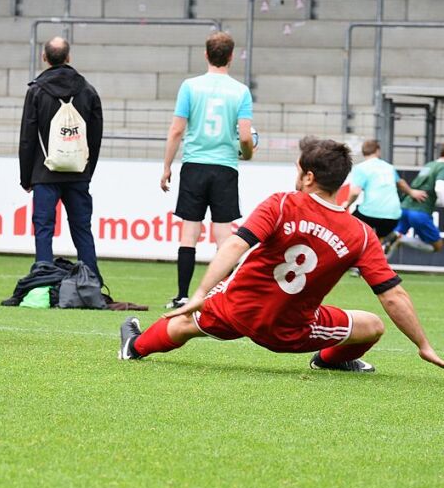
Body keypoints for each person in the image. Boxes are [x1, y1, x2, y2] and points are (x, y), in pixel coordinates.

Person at [119, 136, 444, 374]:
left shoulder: (282, 204)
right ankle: (330, 359)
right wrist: (423, 345)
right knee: (372, 325)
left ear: (309, 177)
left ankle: (134, 347)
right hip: (293, 331)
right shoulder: (360, 234)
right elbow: (393, 297)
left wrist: (200, 293)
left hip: (238, 310)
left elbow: (234, 245)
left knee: (185, 325)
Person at [161, 31, 253, 309]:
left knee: (189, 232)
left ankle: (182, 296)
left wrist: (166, 166)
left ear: (206, 54)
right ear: (231, 57)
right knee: (224, 235)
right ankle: (225, 296)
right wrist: (246, 154)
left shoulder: (190, 86)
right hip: (225, 167)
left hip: (194, 166)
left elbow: (177, 129)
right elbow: (246, 137)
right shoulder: (241, 91)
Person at [18, 35, 104, 281]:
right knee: (82, 229)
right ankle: (92, 280)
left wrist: (26, 177)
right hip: (78, 172)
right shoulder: (87, 90)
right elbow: (96, 136)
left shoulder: (36, 91)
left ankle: (42, 281)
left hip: (44, 172)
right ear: (68, 58)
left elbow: (27, 138)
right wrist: (88, 169)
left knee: (44, 228)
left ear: (44, 57)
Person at [345, 138, 426, 243]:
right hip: (393, 215)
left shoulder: (360, 168)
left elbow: (355, 192)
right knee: (379, 239)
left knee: (352, 227)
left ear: (363, 152)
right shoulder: (389, 167)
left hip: (369, 213)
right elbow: (400, 183)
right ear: (378, 151)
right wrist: (412, 192)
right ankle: (383, 243)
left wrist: (347, 203)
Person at [383, 145, 444, 256]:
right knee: (437, 245)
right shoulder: (442, 167)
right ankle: (401, 239)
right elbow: (439, 188)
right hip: (420, 211)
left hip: (405, 207)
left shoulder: (429, 165)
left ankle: (367, 268)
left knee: (392, 240)